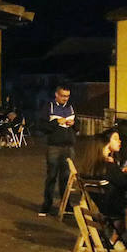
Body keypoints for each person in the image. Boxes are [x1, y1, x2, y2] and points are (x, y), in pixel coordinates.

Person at [78, 129, 127, 249]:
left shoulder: (91, 166)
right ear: (106, 143)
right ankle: (113, 241)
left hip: (98, 206)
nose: (120, 141)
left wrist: (117, 171)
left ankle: (112, 239)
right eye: (116, 138)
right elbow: (126, 184)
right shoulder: (108, 166)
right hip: (114, 207)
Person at [39, 84, 76, 216]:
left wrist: (74, 125)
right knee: (52, 176)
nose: (65, 99)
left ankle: (66, 205)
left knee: (66, 178)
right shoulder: (49, 107)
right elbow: (42, 126)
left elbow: (77, 129)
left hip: (68, 147)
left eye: (67, 96)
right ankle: (47, 205)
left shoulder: (70, 108)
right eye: (63, 96)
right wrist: (56, 122)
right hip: (54, 146)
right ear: (56, 95)